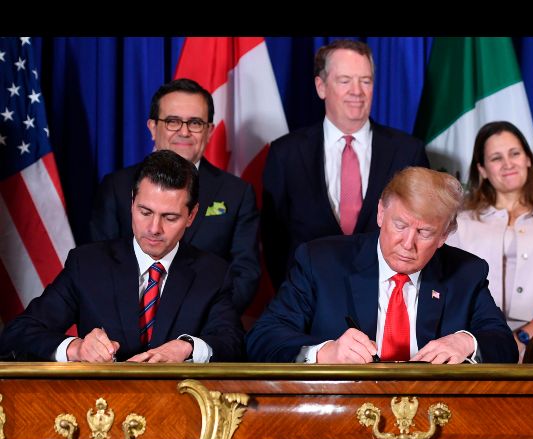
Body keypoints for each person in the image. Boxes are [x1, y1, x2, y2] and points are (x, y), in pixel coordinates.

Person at [246, 167, 517, 364]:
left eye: (424, 233)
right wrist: (325, 353)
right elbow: (262, 338)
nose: (407, 243)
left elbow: (504, 345)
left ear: (444, 236)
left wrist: (465, 342)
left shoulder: (466, 273)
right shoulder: (320, 262)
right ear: (380, 213)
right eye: (400, 225)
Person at [0, 150, 244, 363]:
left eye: (170, 217)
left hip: (178, 408)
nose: (154, 228)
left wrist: (188, 348)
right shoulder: (87, 265)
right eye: (145, 212)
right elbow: (18, 333)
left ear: (191, 215)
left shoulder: (212, 273)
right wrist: (76, 348)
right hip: (100, 408)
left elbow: (232, 344)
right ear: (131, 203)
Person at [262, 39, 430, 290]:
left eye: (365, 81)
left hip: (385, 300)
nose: (357, 91)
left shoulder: (408, 151)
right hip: (307, 301)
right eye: (345, 81)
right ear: (321, 86)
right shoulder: (285, 153)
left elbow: (422, 228)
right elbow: (274, 241)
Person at [89, 78, 259, 315]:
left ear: (209, 131)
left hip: (205, 331)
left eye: (195, 123)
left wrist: (199, 320)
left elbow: (245, 274)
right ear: (152, 127)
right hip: (126, 326)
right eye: (172, 121)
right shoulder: (116, 186)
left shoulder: (237, 193)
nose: (184, 131)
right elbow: (98, 264)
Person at [446, 121, 533, 362]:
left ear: (528, 159)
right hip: (474, 349)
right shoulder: (460, 224)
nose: (508, 164)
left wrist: (523, 337)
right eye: (496, 158)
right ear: (482, 169)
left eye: (515, 153)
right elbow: (450, 293)